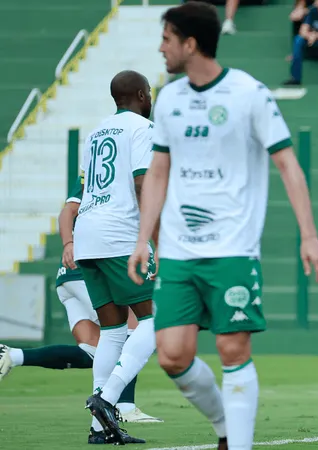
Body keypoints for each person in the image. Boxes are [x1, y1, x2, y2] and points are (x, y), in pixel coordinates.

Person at [127, 3, 318, 450]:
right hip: (179, 251)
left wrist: (310, 235)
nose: (161, 48)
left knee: (232, 351)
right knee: (172, 356)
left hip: (233, 248)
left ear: (190, 43)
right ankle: (225, 427)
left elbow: (287, 164)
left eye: (167, 38)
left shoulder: (249, 93)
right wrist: (143, 239)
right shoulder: (170, 98)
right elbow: (158, 172)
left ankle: (238, 443)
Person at [0, 195, 161, 443]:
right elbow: (70, 210)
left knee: (92, 350)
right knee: (138, 326)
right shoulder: (127, 159)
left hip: (72, 270)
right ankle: (124, 406)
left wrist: (68, 244)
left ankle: (14, 355)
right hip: (103, 253)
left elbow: (69, 210)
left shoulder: (91, 165)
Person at [74, 70, 158, 445]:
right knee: (161, 317)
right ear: (141, 94)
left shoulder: (95, 132)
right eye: (150, 93)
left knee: (113, 329)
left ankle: (99, 427)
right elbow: (143, 182)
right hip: (118, 235)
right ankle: (108, 400)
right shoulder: (141, 127)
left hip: (86, 234)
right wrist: (154, 237)